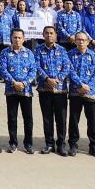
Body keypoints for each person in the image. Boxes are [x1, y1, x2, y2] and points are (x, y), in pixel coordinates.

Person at [0, 28, 38, 154]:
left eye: (19, 37)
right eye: (15, 37)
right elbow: (3, 70)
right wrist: (13, 83)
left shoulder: (29, 53)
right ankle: (13, 143)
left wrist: (23, 83)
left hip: (25, 90)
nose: (17, 40)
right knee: (12, 118)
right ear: (11, 38)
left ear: (23, 38)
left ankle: (28, 144)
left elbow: (33, 70)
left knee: (28, 119)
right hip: (11, 90)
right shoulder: (5, 52)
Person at [65, 31, 95, 157]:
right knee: (74, 120)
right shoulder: (69, 55)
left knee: (92, 121)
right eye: (78, 39)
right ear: (74, 41)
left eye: (83, 40)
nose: (80, 42)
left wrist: (88, 86)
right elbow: (70, 71)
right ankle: (73, 145)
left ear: (88, 41)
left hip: (90, 93)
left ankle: (94, 146)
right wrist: (80, 85)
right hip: (76, 92)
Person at [35, 25, 69, 156]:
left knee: (61, 118)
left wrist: (57, 79)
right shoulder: (38, 50)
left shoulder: (62, 49)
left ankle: (61, 144)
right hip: (45, 89)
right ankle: (49, 143)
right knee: (47, 118)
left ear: (55, 35)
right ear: (43, 35)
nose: (49, 35)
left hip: (60, 90)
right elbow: (37, 65)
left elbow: (66, 67)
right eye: (47, 33)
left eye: (51, 33)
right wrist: (47, 78)